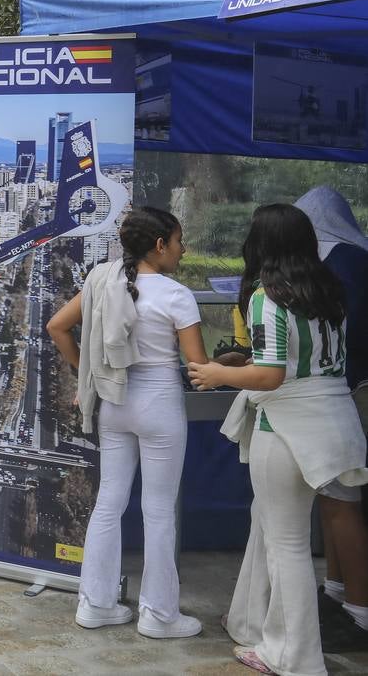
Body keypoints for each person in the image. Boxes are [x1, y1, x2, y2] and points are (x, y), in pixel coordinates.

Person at [190, 204, 368, 676]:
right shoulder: (332, 292)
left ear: (260, 244)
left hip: (287, 425)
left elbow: (270, 376)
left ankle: (292, 657)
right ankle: (272, 637)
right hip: (338, 425)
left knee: (286, 544)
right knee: (290, 538)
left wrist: (215, 373)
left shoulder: (266, 298)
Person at [47, 207, 208, 638]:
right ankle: (159, 616)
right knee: (157, 511)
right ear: (159, 245)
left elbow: (57, 326)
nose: (182, 248)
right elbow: (198, 368)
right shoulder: (177, 295)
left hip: (114, 401)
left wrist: (89, 371)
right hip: (159, 403)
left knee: (108, 503)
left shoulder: (102, 280)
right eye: (178, 240)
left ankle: (95, 604)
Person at [293, 186, 368, 654]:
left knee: (343, 502)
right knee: (335, 499)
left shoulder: (345, 262)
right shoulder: (345, 256)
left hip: (353, 392)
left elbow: (345, 332)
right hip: (344, 390)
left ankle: (359, 612)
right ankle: (339, 591)